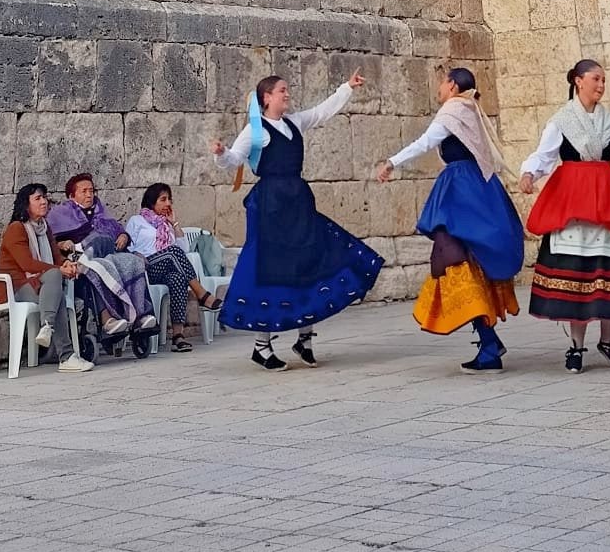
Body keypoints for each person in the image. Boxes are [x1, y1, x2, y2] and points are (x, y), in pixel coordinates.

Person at [214, 71, 382, 369]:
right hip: (271, 207)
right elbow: (234, 161)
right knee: (271, 270)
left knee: (311, 262)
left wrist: (346, 88)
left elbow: (322, 112)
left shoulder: (295, 122)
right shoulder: (255, 130)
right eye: (282, 90)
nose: (287, 94)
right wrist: (221, 153)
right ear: (266, 97)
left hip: (298, 203)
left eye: (287, 90)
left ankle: (304, 338)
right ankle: (261, 346)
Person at [377, 66, 525, 373]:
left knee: (454, 261)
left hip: (461, 192)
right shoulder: (471, 109)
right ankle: (488, 340)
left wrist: (392, 162)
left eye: (441, 83)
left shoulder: (453, 111)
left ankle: (488, 344)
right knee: (467, 261)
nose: (438, 89)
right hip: (478, 190)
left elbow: (426, 142)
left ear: (453, 86)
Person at [519, 60, 610, 371]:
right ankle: (576, 346)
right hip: (572, 203)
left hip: (607, 200)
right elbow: (544, 155)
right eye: (596, 79)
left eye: (604, 80)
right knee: (578, 272)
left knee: (608, 270)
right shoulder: (561, 121)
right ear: (578, 81)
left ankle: (607, 341)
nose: (601, 85)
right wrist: (529, 173)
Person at [47, 174, 159, 349]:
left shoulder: (100, 210)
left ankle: (141, 315)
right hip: (79, 260)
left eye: (91, 191)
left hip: (106, 256)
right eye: (83, 191)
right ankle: (107, 320)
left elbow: (116, 229)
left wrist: (123, 236)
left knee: (133, 261)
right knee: (98, 255)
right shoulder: (60, 213)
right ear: (71, 195)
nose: (89, 195)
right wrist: (62, 243)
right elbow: (51, 242)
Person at [0, 183, 91, 373]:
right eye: (37, 199)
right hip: (16, 287)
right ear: (26, 205)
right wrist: (59, 269)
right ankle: (65, 354)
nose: (44, 202)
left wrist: (67, 265)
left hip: (40, 283)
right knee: (56, 283)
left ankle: (49, 329)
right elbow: (27, 265)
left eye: (44, 197)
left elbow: (56, 258)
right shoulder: (16, 228)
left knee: (56, 287)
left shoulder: (44, 228)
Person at [125, 183, 222, 353]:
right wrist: (138, 256)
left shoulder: (166, 224)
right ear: (152, 201)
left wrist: (174, 223)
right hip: (146, 268)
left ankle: (178, 335)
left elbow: (184, 251)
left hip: (166, 267)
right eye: (163, 199)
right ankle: (201, 294)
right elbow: (129, 248)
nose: (168, 203)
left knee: (177, 277)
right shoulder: (137, 221)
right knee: (172, 253)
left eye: (169, 199)